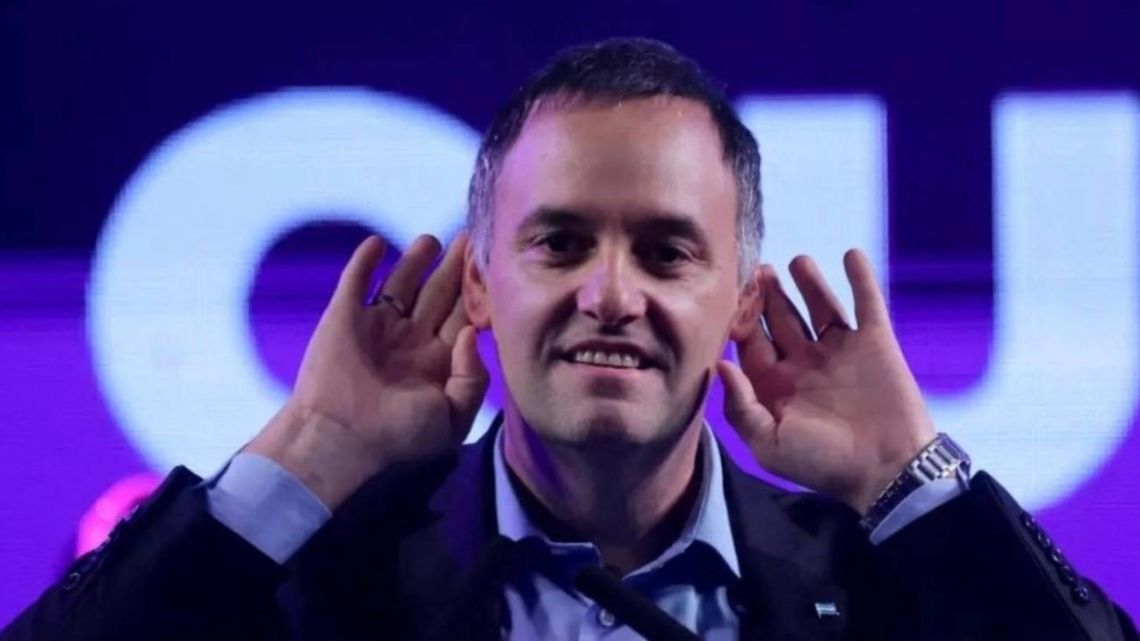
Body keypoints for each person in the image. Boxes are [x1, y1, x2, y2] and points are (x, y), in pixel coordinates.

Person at [2, 37, 1136, 641]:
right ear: (481, 283)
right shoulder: (320, 580)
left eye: (666, 251)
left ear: (740, 305)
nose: (608, 294)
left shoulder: (876, 585)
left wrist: (908, 475)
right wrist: (306, 453)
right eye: (559, 242)